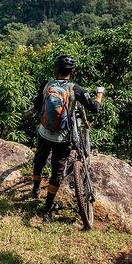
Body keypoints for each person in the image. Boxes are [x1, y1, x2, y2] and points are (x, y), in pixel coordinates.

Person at [32, 54, 104, 211]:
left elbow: (37, 105)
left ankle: (35, 189)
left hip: (45, 132)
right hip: (63, 137)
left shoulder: (46, 85)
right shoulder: (76, 89)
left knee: (39, 160)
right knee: (57, 171)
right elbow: (95, 108)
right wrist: (99, 94)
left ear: (55, 69)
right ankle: (48, 205)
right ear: (73, 71)